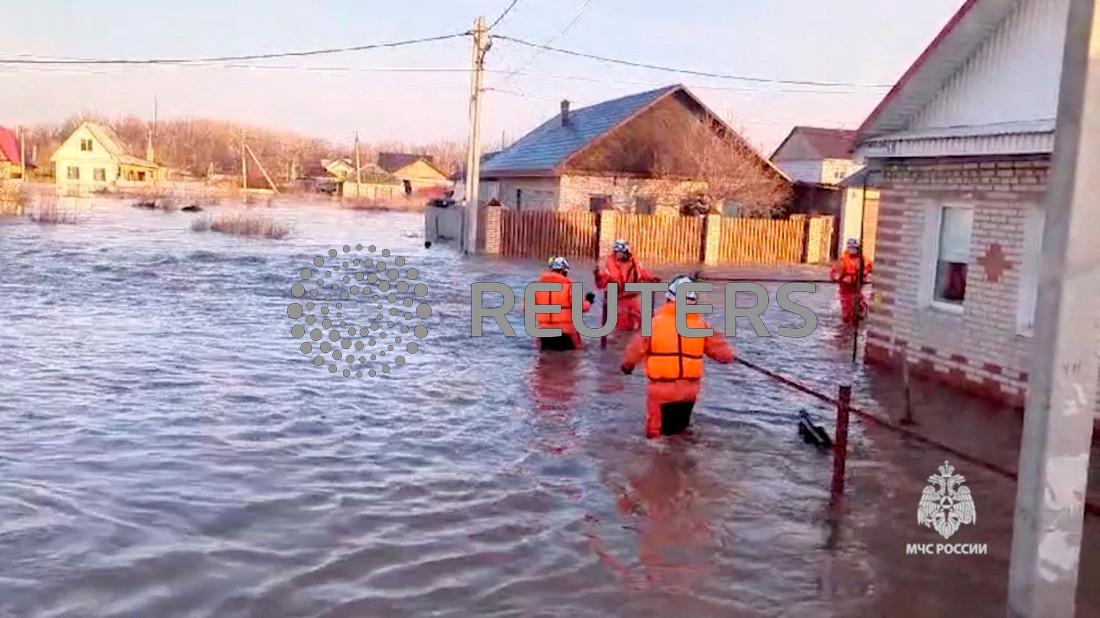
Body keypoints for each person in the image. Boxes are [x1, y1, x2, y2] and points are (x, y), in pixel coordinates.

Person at [620, 275, 735, 438]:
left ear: (669, 298)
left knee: (656, 438)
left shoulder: (654, 324)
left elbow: (635, 350)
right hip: (689, 392)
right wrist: (730, 356)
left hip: (662, 391)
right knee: (681, 433)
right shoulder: (701, 325)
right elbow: (724, 355)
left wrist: (627, 366)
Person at [594, 239, 659, 332]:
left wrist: (652, 278)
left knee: (640, 323)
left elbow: (642, 273)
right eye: (616, 252)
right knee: (621, 326)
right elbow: (601, 284)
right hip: (618, 299)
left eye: (620, 252)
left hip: (633, 296)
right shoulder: (608, 263)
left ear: (626, 252)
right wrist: (598, 276)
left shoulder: (633, 261)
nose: (617, 255)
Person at [532, 256, 595, 351]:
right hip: (565, 333)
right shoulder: (570, 288)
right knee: (568, 362)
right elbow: (582, 308)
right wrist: (589, 300)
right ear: (563, 272)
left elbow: (525, 308)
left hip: (544, 333)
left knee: (545, 362)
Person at [830, 238, 873, 325]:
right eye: (851, 248)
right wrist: (840, 278)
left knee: (861, 305)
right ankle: (847, 326)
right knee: (848, 309)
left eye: (855, 248)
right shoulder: (843, 260)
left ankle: (859, 319)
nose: (852, 250)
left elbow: (871, 268)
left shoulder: (864, 260)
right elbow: (835, 273)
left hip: (857, 288)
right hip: (846, 289)